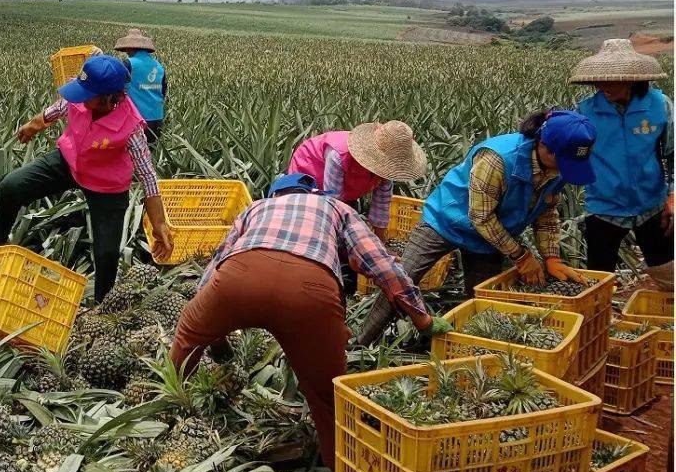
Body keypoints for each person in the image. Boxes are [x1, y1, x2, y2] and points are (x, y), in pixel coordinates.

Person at [169, 173, 448, 472]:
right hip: (310, 292)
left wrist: (213, 332)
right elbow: (382, 265)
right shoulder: (335, 206)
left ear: (275, 195)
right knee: (329, 405)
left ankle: (168, 421)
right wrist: (422, 318)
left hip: (239, 279)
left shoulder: (256, 208)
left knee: (188, 335)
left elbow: (216, 264)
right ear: (311, 193)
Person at [356, 110, 597, 346]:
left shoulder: (560, 167)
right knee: (401, 282)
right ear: (544, 145)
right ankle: (359, 345)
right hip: (446, 221)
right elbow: (481, 217)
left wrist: (552, 257)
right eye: (563, 162)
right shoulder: (498, 158)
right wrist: (521, 256)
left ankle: (466, 351)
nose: (563, 171)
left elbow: (546, 212)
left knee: (483, 302)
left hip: (490, 238)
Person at [0, 55, 173, 301]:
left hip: (106, 185)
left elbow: (147, 176)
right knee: (10, 186)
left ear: (109, 98)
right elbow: (58, 108)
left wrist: (159, 223)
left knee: (107, 254)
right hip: (69, 161)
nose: (79, 96)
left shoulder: (131, 127)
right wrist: (34, 124)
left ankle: (102, 306)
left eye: (87, 93)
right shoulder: (80, 97)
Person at [570, 39, 673, 272]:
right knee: (600, 280)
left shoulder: (659, 105)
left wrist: (673, 197)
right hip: (603, 210)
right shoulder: (585, 111)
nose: (602, 86)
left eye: (610, 79)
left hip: (652, 206)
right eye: (598, 79)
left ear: (631, 77)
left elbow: (672, 153)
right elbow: (573, 157)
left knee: (667, 276)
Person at [288, 120, 427, 241]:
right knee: (310, 217)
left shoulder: (388, 167)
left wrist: (381, 243)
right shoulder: (339, 154)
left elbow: (382, 202)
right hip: (310, 167)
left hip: (344, 183)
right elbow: (333, 200)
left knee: (346, 216)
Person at [114, 28, 167, 144]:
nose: (127, 51)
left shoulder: (128, 64)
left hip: (137, 119)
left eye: (127, 48)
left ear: (132, 48)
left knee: (135, 158)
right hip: (157, 119)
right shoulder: (159, 66)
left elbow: (116, 87)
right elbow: (163, 92)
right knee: (151, 156)